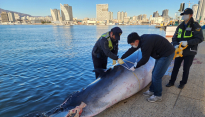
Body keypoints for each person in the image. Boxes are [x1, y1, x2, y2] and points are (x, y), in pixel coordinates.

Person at [121, 33, 175, 102]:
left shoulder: (146, 44)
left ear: (136, 41)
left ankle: (158, 95)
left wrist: (135, 66)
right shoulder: (140, 40)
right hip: (160, 53)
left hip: (167, 54)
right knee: (154, 72)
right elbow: (131, 50)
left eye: (132, 44)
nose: (132, 46)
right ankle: (152, 90)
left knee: (157, 75)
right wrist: (122, 57)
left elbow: (145, 59)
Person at [166, 8, 204, 89]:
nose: (184, 16)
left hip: (190, 51)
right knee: (175, 67)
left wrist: (188, 42)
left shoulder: (196, 26)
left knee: (186, 69)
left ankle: (183, 83)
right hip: (179, 51)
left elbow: (200, 38)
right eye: (183, 15)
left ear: (191, 15)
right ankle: (171, 81)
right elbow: (174, 37)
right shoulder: (180, 26)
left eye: (185, 15)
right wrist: (175, 45)